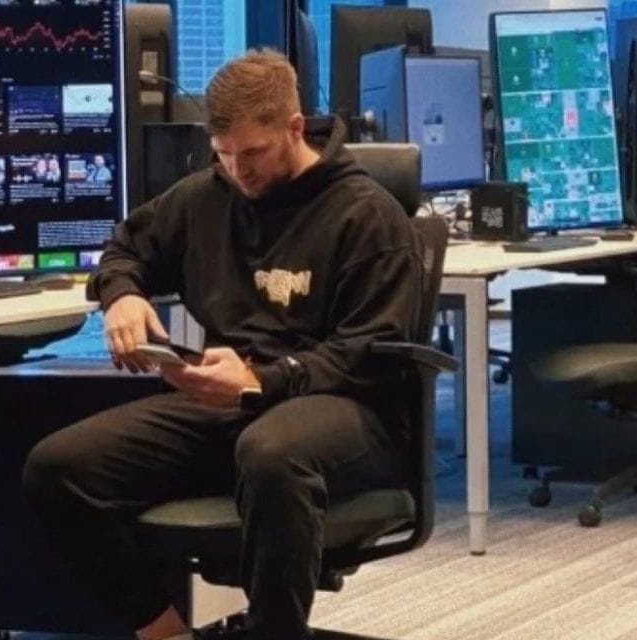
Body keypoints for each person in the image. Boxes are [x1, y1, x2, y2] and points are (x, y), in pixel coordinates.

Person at [21, 49, 423, 640]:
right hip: (230, 404)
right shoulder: (206, 197)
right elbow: (124, 249)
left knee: (271, 452)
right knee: (59, 468)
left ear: (294, 128)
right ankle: (164, 632)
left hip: (349, 409)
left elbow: (371, 354)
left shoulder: (368, 216)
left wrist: (264, 379)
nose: (238, 171)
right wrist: (122, 294)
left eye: (252, 153)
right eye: (223, 154)